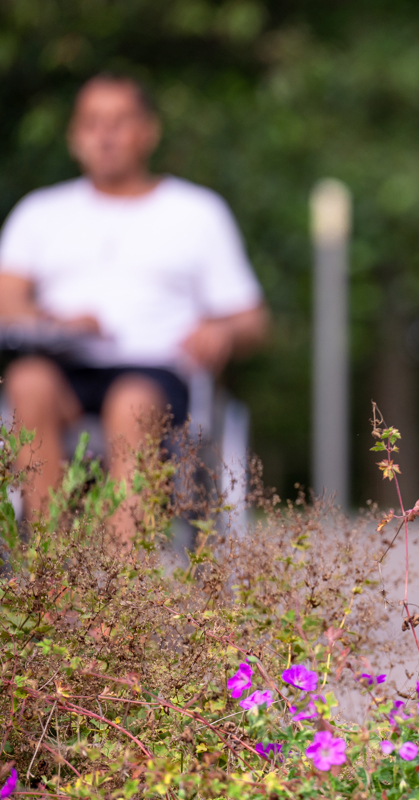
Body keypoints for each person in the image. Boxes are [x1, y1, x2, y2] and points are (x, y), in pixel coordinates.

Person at [0, 73, 268, 542]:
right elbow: (8, 299)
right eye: (91, 122)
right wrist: (52, 322)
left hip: (157, 373)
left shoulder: (197, 212)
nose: (104, 135)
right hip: (65, 365)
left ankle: (119, 593)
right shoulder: (39, 212)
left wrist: (222, 332)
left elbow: (252, 320)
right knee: (27, 381)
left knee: (131, 401)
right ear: (73, 135)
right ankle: (50, 572)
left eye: (119, 121)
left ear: (148, 131)